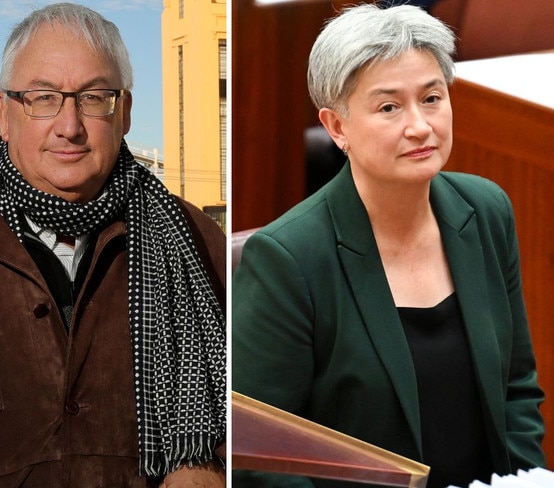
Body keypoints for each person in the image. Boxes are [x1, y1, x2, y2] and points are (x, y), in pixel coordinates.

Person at [0, 3, 226, 486]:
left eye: (94, 97)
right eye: (42, 98)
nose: (70, 126)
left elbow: (250, 418)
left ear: (126, 112)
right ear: (5, 113)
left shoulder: (199, 244)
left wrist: (205, 466)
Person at [232, 4, 545, 488]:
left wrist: (524, 479)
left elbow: (516, 389)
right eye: (389, 107)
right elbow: (257, 455)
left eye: (432, 98)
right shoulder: (287, 259)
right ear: (337, 127)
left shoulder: (486, 210)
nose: (420, 126)